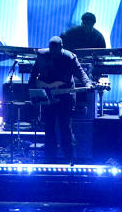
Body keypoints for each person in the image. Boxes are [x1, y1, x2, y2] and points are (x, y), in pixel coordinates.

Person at [29, 36, 92, 164]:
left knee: (65, 129)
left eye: (56, 51)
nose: (53, 54)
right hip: (48, 96)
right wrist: (32, 93)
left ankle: (69, 159)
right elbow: (33, 74)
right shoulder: (41, 55)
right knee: (49, 128)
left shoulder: (70, 57)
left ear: (61, 47)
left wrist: (88, 83)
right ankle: (49, 160)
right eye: (51, 51)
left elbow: (80, 73)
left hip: (65, 96)